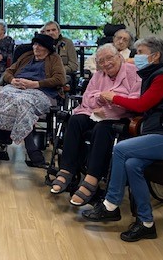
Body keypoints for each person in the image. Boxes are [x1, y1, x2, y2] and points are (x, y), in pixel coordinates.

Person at [82, 37, 163, 243]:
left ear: (155, 56)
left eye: (140, 52)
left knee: (121, 149)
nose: (136, 56)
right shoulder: (154, 73)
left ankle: (111, 204)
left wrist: (113, 97)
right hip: (162, 133)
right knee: (132, 164)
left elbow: (142, 105)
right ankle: (146, 223)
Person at [50, 44, 141, 206]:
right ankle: (66, 170)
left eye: (109, 58)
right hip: (97, 113)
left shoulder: (133, 73)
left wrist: (113, 99)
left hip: (122, 116)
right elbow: (87, 98)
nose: (106, 63)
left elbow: (135, 99)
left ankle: (92, 179)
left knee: (102, 128)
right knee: (75, 120)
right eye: (101, 61)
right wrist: (100, 98)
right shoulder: (99, 75)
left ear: (119, 57)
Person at [0, 33, 65, 167]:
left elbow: (60, 79)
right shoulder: (26, 56)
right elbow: (8, 72)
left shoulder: (54, 59)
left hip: (41, 91)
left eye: (40, 45)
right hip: (16, 88)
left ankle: (30, 148)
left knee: (22, 103)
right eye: (35, 44)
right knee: (0, 97)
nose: (36, 47)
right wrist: (12, 80)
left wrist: (35, 84)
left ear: (47, 49)